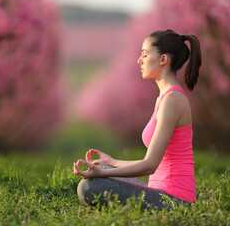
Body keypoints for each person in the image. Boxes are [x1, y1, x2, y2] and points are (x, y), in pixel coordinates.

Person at [73, 29, 202, 210]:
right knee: (102, 174)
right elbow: (150, 162)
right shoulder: (164, 98)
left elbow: (150, 165)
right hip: (158, 190)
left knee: (89, 187)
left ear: (163, 59)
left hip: (174, 200)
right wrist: (111, 163)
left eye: (145, 54)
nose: (139, 60)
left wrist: (102, 173)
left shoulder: (173, 101)